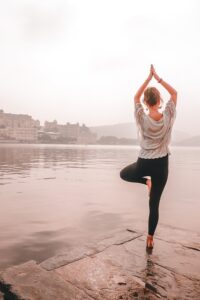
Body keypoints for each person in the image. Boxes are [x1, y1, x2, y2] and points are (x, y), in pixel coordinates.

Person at [120, 64, 177, 249]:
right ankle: (150, 238)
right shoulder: (168, 116)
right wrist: (158, 78)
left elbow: (135, 97)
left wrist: (148, 79)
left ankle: (146, 182)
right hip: (161, 164)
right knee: (154, 204)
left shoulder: (141, 117)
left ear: (145, 102)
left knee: (124, 174)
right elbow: (175, 94)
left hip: (143, 163)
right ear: (160, 100)